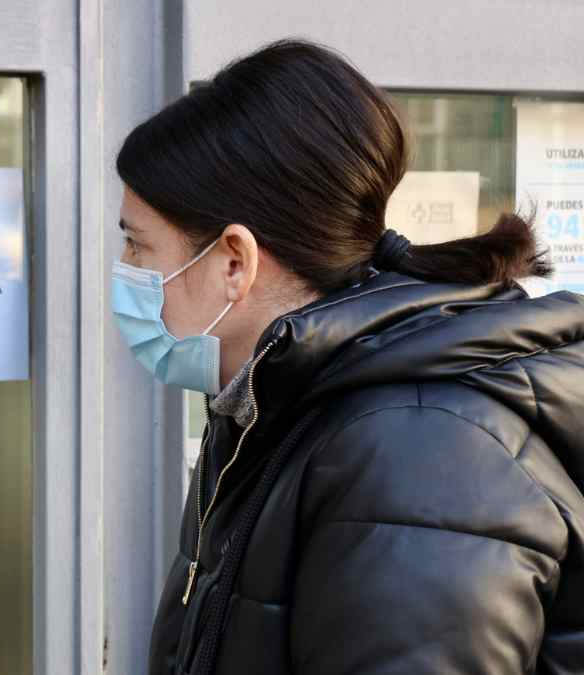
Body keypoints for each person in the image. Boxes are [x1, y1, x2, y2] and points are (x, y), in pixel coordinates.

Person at [111, 38, 584, 675]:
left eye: (138, 246)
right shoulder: (274, 410)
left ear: (234, 261)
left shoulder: (417, 454)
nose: (126, 270)